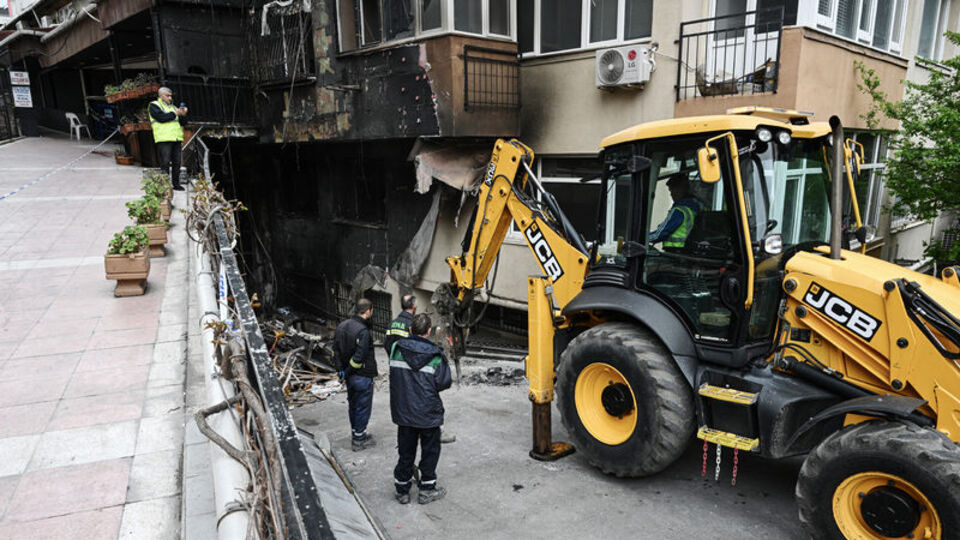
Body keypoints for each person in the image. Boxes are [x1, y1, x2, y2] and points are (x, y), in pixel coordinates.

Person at [389, 313, 452, 505]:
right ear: (428, 332)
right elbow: (444, 383)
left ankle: (402, 490)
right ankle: (426, 489)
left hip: (404, 412)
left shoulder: (396, 349)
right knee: (430, 451)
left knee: (406, 452)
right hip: (428, 413)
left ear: (410, 330)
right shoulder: (435, 355)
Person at [333, 298, 378, 451]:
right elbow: (359, 357)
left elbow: (336, 351)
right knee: (362, 407)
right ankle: (359, 439)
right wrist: (348, 371)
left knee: (353, 405)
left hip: (349, 377)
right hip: (361, 376)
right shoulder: (362, 331)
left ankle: (357, 433)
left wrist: (341, 370)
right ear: (368, 311)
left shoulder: (342, 326)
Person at [648, 173, 704, 250]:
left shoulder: (679, 211)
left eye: (672, 190)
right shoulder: (694, 207)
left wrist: (643, 238)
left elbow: (661, 233)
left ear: (681, 189)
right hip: (686, 252)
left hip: (674, 253)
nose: (671, 194)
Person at [148, 87, 187, 191]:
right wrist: (176, 114)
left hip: (176, 138)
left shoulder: (174, 107)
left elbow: (183, 123)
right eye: (167, 95)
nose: (170, 98)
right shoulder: (154, 105)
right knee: (165, 163)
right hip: (163, 138)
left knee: (177, 163)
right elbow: (161, 118)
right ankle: (164, 185)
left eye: (171, 96)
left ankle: (176, 184)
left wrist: (183, 115)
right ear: (160, 95)